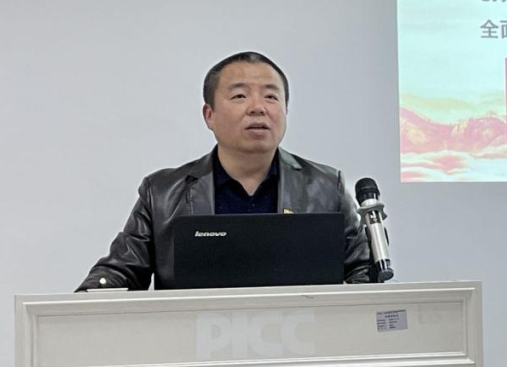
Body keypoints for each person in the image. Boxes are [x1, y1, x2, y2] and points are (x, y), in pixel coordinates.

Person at [76, 51, 371, 290]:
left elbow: (364, 275)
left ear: (286, 111)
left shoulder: (325, 187)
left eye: (271, 97)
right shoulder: (162, 192)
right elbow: (121, 272)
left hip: (301, 340)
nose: (258, 107)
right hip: (196, 341)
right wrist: (89, 300)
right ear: (210, 115)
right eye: (240, 96)